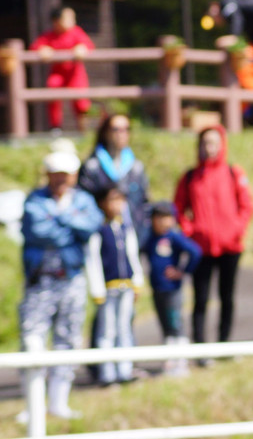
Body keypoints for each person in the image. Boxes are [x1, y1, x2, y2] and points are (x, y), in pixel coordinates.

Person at [18, 150, 103, 420]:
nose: (60, 180)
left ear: (74, 176)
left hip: (72, 279)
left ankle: (59, 402)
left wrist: (57, 218)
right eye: (56, 175)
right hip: (40, 280)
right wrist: (70, 224)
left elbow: (91, 226)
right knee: (33, 339)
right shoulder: (35, 200)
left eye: (65, 175)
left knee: (68, 338)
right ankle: (33, 405)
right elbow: (38, 231)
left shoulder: (84, 200)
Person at [173, 125, 253, 355]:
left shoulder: (233, 173)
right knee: (200, 299)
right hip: (201, 249)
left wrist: (237, 229)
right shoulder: (190, 177)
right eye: (205, 143)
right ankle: (199, 348)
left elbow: (246, 205)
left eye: (213, 143)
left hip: (230, 247)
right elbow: (178, 208)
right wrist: (190, 231)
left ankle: (223, 343)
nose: (209, 148)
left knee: (226, 297)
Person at [83, 186, 144, 386]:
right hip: (108, 288)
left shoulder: (126, 228)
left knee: (124, 328)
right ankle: (107, 374)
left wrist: (137, 282)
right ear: (102, 204)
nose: (117, 205)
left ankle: (125, 370)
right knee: (106, 331)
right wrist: (97, 289)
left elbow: (133, 255)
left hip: (126, 285)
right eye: (112, 200)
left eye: (120, 200)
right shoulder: (99, 230)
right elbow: (93, 260)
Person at [142, 201, 202, 376]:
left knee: (176, 324)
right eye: (158, 218)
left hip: (173, 289)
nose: (162, 222)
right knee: (165, 325)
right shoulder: (149, 238)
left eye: (166, 217)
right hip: (157, 288)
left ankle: (181, 362)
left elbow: (195, 252)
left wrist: (182, 272)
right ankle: (170, 360)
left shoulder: (174, 237)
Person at [78, 113, 151, 241]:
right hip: (101, 236)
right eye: (116, 129)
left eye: (126, 129)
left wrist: (141, 232)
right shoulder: (92, 166)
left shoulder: (136, 167)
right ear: (105, 132)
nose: (121, 134)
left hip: (131, 235)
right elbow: (83, 201)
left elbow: (144, 203)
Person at [28, 5, 94, 132]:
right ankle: (56, 128)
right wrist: (42, 50)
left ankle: (84, 130)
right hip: (57, 73)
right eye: (68, 18)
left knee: (81, 101)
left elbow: (87, 45)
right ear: (56, 21)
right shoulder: (49, 36)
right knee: (53, 92)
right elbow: (35, 46)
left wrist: (82, 48)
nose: (73, 21)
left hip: (75, 73)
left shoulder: (76, 32)